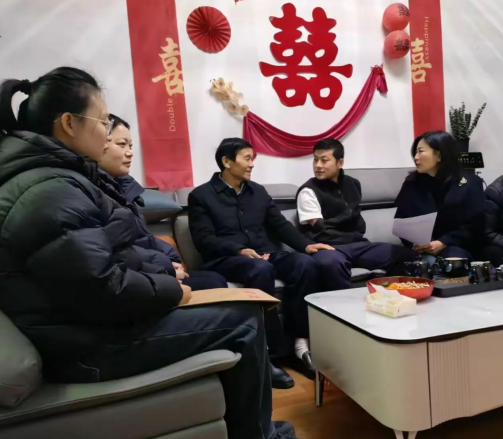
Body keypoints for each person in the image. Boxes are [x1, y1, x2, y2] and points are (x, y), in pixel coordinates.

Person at [0, 68, 299, 439]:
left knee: (238, 304)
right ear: (69, 124)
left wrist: (163, 274)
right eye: (103, 122)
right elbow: (99, 286)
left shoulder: (54, 177)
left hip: (84, 328)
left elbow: (106, 256)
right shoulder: (49, 188)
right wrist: (172, 290)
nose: (107, 134)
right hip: (84, 346)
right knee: (244, 320)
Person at [188, 138, 334, 383]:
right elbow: (204, 239)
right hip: (227, 259)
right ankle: (268, 356)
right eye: (247, 158)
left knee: (305, 264)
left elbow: (280, 225)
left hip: (264, 254)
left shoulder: (258, 192)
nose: (251, 164)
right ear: (227, 162)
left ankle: (300, 345)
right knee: (260, 269)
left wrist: (306, 245)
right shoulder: (201, 196)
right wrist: (239, 250)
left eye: (252, 158)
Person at [97, 114, 228, 291]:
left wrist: (170, 262)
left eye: (131, 146)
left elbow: (144, 240)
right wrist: (164, 268)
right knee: (213, 282)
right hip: (132, 278)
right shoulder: (96, 193)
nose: (130, 152)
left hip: (146, 269)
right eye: (121, 144)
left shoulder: (123, 191)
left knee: (214, 279)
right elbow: (116, 252)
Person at [296, 138, 417, 291]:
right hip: (328, 247)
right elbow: (320, 228)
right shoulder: (308, 191)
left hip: (359, 244)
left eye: (324, 160)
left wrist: (355, 238)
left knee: (406, 256)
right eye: (315, 160)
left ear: (340, 163)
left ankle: (393, 298)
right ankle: (345, 305)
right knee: (330, 263)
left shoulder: (352, 184)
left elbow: (355, 219)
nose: (318, 165)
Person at [394, 131, 485, 262]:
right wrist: (415, 244)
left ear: (439, 155)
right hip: (419, 248)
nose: (416, 157)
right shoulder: (412, 183)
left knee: (453, 260)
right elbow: (402, 222)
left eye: (421, 151)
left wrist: (443, 242)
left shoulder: (470, 183)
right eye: (415, 152)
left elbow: (475, 225)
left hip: (456, 244)